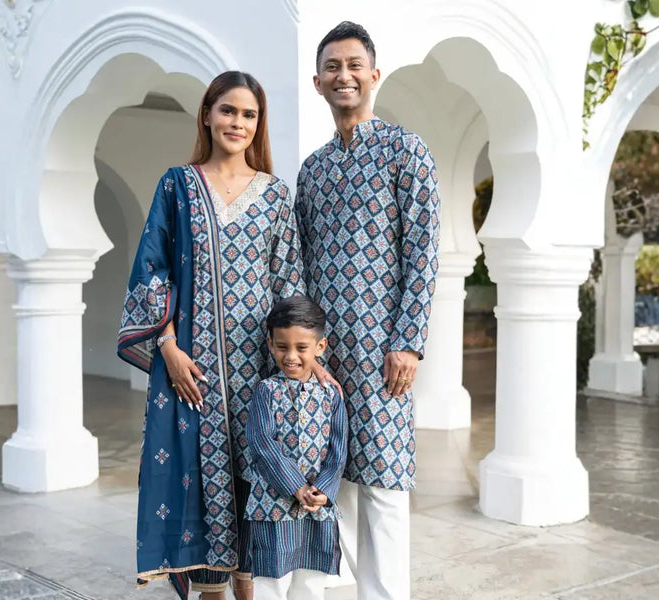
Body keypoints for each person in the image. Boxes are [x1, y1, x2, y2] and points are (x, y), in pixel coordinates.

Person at [118, 71, 313, 600]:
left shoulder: (275, 196)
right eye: (228, 111)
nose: (238, 123)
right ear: (207, 114)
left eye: (249, 115)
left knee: (254, 491)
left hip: (259, 376)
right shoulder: (177, 185)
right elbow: (152, 269)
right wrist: (168, 348)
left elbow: (289, 284)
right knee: (200, 497)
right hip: (194, 373)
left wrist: (297, 371)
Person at [294, 21, 440, 600]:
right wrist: (305, 354)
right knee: (335, 483)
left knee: (382, 487)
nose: (344, 76)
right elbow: (301, 271)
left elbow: (423, 253)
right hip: (326, 360)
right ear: (317, 82)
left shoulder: (407, 152)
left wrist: (407, 340)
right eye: (333, 67)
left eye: (354, 65)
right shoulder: (314, 170)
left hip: (383, 354)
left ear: (374, 75)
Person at [244, 295, 348, 600]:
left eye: (301, 348)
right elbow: (263, 444)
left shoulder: (332, 395)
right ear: (270, 344)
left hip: (318, 508)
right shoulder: (266, 391)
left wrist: (324, 491)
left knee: (312, 582)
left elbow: (338, 451)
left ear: (320, 346)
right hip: (272, 507)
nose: (291, 356)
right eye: (282, 346)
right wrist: (296, 487)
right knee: (271, 583)